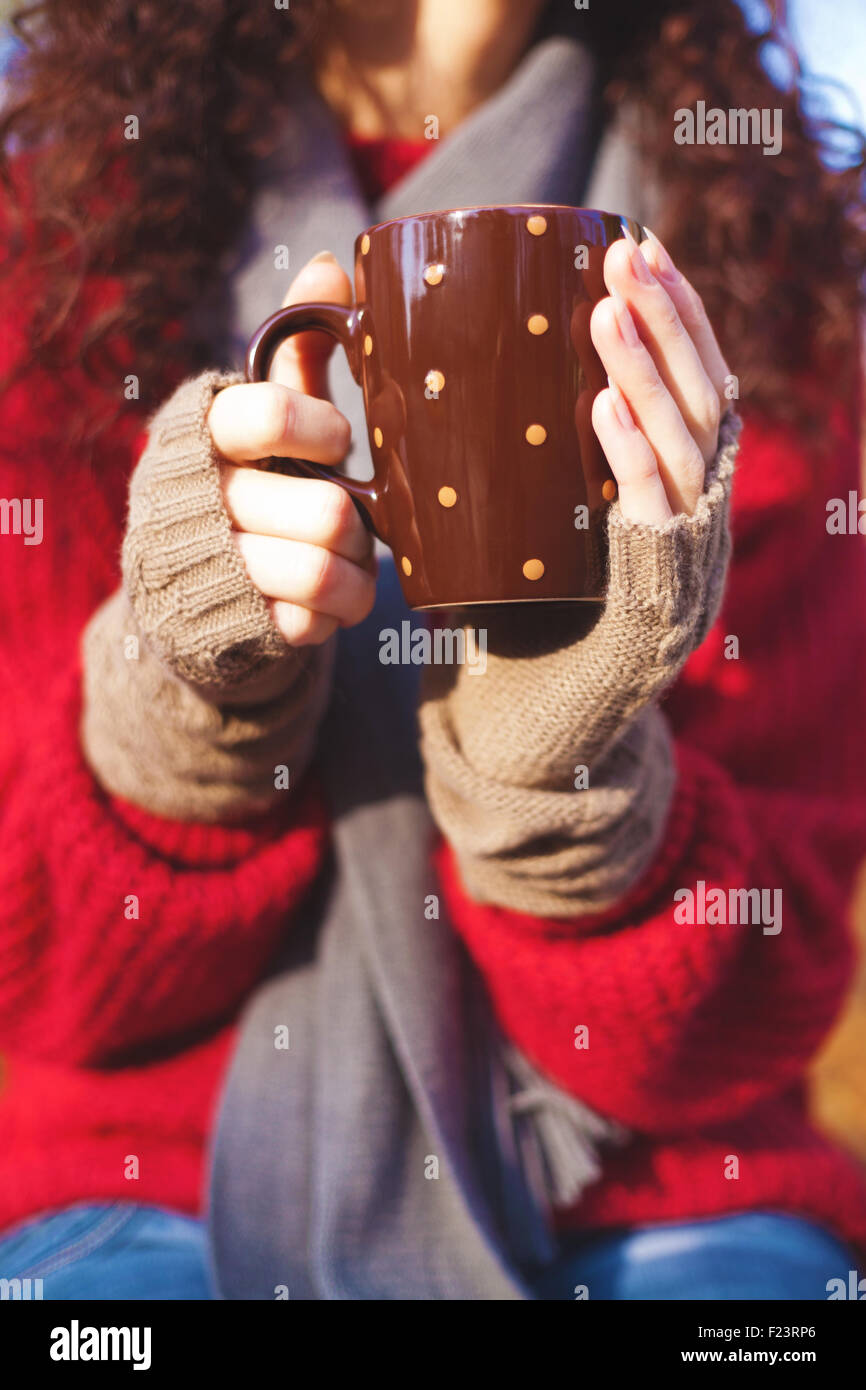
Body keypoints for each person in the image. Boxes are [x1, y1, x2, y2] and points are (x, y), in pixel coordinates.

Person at [0, 0, 864, 1300]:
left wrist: (556, 770)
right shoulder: (55, 238)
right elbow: (46, 967)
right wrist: (185, 686)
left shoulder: (768, 261)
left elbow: (753, 998)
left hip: (654, 1188)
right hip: (147, 1183)